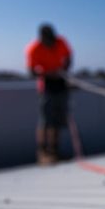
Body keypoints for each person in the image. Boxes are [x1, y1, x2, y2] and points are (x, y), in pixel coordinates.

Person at [26, 23, 73, 164]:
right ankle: (42, 152)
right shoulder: (33, 48)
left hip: (61, 83)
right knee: (46, 120)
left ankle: (55, 151)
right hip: (46, 85)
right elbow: (31, 71)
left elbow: (69, 57)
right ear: (41, 39)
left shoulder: (61, 42)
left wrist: (63, 70)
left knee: (58, 120)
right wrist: (47, 73)